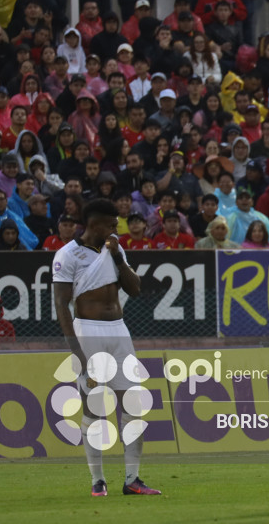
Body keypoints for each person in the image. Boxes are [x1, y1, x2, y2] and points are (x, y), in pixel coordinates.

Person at [52, 199, 160, 497]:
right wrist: (77, 353)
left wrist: (118, 258)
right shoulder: (68, 254)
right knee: (94, 408)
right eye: (111, 225)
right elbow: (61, 305)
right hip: (88, 331)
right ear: (94, 224)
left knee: (134, 406)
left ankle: (132, 479)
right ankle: (98, 480)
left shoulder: (115, 250)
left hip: (119, 332)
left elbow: (135, 289)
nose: (116, 230)